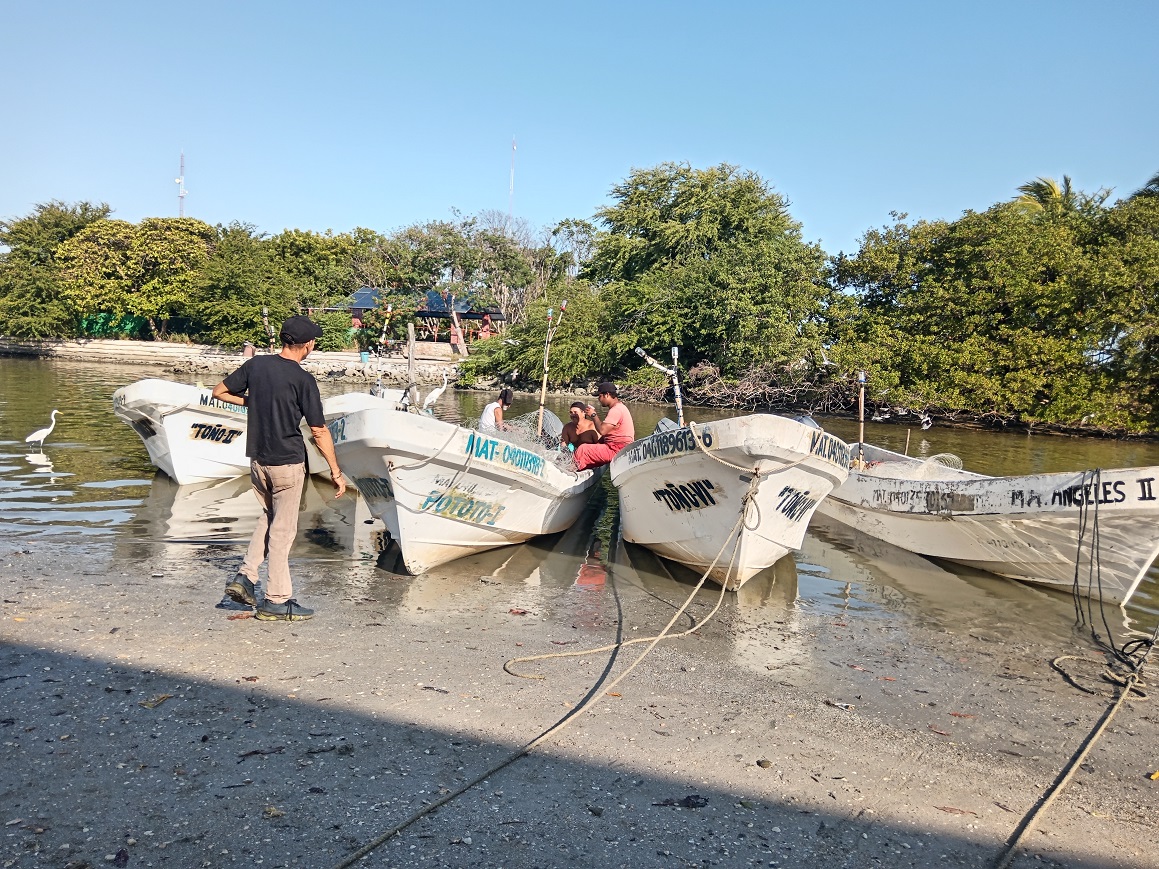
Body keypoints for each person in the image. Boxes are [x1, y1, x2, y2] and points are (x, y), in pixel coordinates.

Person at [211, 316, 346, 622]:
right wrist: (335, 471)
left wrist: (252, 401)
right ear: (308, 345)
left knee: (269, 518)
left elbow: (218, 392)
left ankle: (245, 577)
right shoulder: (303, 380)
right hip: (287, 462)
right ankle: (276, 599)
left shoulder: (256, 366)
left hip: (258, 461)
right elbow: (319, 431)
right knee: (283, 532)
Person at [575, 381, 635, 471]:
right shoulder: (621, 407)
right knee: (591, 446)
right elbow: (609, 432)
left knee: (583, 450)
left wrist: (593, 415)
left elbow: (602, 430)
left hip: (617, 450)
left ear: (607, 395)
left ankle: (572, 472)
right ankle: (582, 468)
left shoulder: (616, 410)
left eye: (600, 396)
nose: (599, 399)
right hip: (621, 448)